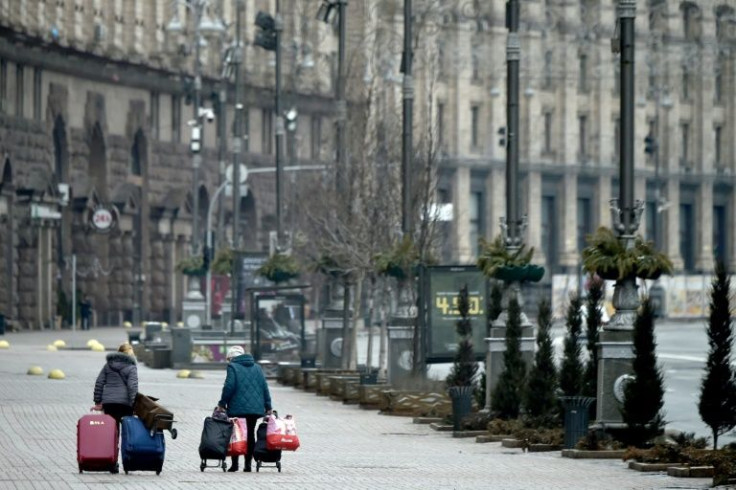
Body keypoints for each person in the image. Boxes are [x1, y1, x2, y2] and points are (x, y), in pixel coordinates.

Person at [217, 345, 272, 472]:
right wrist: (268, 406)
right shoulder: (257, 368)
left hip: (237, 408)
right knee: (250, 434)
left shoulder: (233, 367)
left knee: (236, 434)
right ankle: (248, 465)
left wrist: (222, 403)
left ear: (231, 358)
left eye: (228, 359)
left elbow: (229, 387)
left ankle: (235, 465)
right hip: (254, 409)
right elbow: (264, 387)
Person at [93, 343, 138, 426]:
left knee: (112, 429)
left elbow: (99, 383)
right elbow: (132, 387)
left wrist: (98, 402)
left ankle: (112, 439)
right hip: (126, 403)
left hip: (109, 403)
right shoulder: (132, 367)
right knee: (127, 429)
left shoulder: (108, 366)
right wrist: (134, 404)